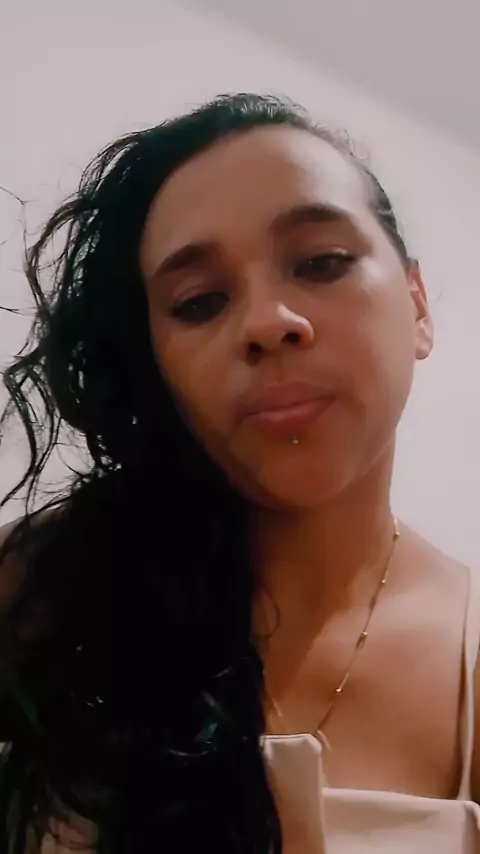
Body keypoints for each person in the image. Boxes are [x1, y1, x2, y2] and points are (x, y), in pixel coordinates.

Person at [0, 92, 478, 853]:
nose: (266, 322)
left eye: (320, 262)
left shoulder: (467, 657)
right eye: (198, 302)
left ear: (417, 306)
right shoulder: (34, 591)